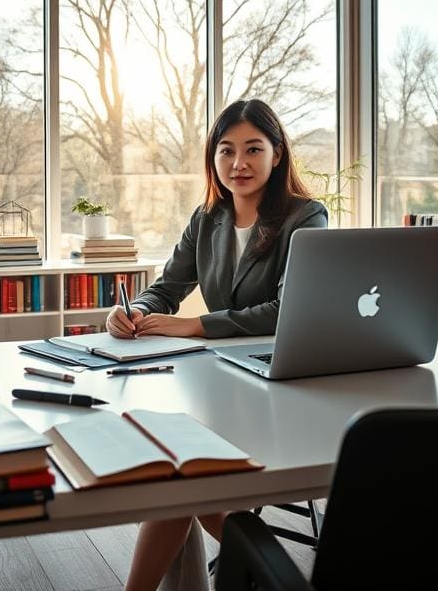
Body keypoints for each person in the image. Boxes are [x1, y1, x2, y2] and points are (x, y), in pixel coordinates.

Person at [105, 98, 328, 591]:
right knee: (182, 478)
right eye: (226, 151)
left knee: (184, 480)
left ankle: (268, 570)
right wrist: (135, 310)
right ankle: (266, 568)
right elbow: (167, 286)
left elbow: (285, 310)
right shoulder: (208, 218)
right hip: (217, 380)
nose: (238, 163)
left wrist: (195, 325)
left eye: (253, 149)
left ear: (277, 153)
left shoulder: (304, 217)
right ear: (213, 159)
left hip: (278, 383)